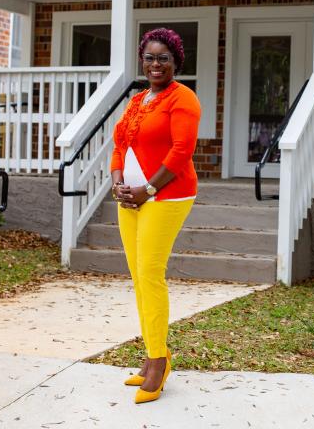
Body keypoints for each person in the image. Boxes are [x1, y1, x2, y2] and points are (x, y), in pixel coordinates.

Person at [110, 27, 201, 404]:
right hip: (129, 199)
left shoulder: (184, 99)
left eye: (163, 57)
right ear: (141, 61)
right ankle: (152, 358)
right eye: (150, 57)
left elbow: (181, 151)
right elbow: (119, 146)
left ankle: (158, 362)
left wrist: (147, 189)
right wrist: (118, 184)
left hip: (166, 197)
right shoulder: (137, 101)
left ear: (176, 61)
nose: (156, 64)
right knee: (139, 277)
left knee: (150, 273)